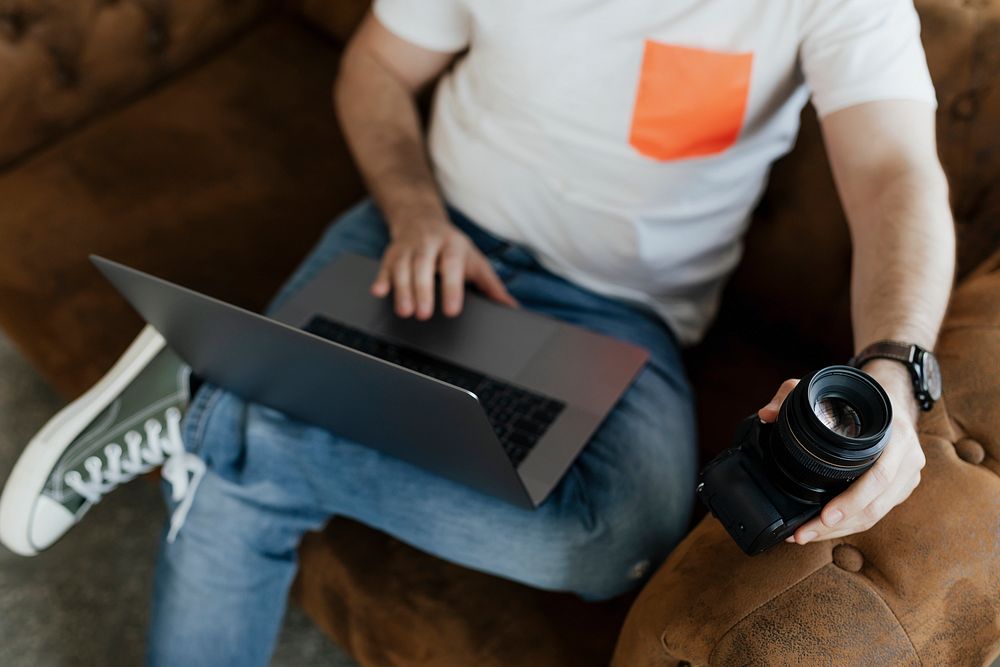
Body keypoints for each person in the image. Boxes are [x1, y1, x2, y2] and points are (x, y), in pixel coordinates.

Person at [0, 0, 955, 664]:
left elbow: (895, 176)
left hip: (612, 314)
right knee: (234, 500)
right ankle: (229, 416)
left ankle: (212, 408)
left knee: (614, 537)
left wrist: (897, 373)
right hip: (421, 240)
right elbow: (374, 68)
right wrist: (415, 211)